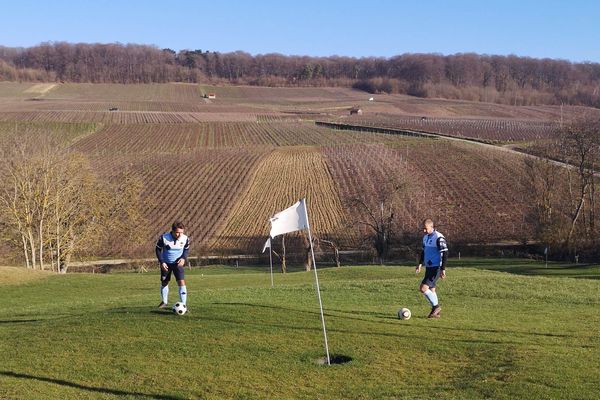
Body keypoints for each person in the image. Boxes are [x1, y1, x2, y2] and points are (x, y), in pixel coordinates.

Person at [415, 219, 448, 318]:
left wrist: (443, 269)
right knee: (432, 289)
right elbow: (423, 252)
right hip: (429, 267)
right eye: (423, 229)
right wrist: (420, 264)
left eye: (426, 228)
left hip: (436, 267)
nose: (424, 231)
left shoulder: (439, 237)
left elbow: (445, 253)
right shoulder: (425, 238)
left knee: (423, 288)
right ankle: (436, 313)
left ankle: (436, 307)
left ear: (431, 227)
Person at [156, 221, 190, 309]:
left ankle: (184, 304)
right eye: (177, 232)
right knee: (164, 282)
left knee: (181, 282)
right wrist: (161, 261)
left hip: (177, 264)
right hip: (166, 264)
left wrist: (183, 258)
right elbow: (158, 250)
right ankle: (164, 302)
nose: (179, 235)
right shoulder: (164, 238)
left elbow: (186, 250)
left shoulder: (185, 238)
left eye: (181, 232)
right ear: (172, 231)